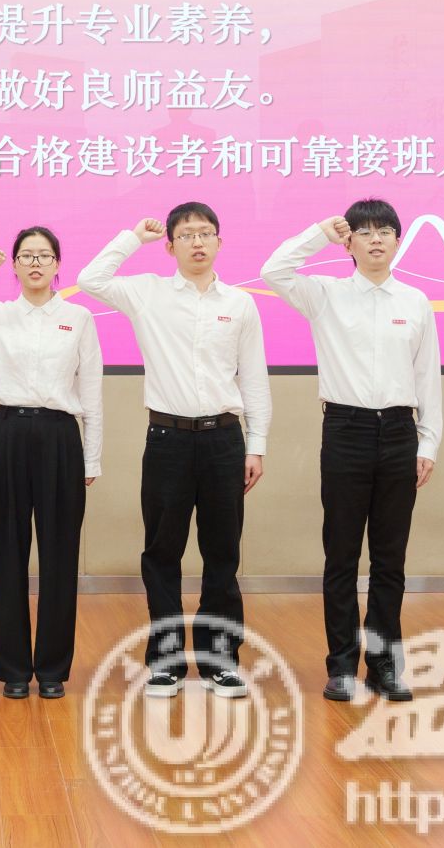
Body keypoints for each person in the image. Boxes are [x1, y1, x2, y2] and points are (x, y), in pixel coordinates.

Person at [78, 203, 269, 699]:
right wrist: (132, 238)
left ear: (220, 242)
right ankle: (165, 661)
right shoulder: (148, 293)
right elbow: (90, 279)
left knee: (222, 552)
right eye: (186, 235)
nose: (197, 242)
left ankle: (219, 660)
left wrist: (257, 444)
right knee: (162, 552)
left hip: (225, 439)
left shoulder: (240, 304)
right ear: (170, 246)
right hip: (167, 440)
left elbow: (254, 378)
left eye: (206, 233)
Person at [262, 200, 440, 703]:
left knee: (389, 559)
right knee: (341, 555)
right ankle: (341, 665)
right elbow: (274, 270)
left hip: (400, 432)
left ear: (398, 241)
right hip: (346, 430)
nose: (376, 239)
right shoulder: (326, 295)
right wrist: (320, 231)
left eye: (385, 231)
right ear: (349, 243)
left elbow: (428, 376)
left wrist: (428, 440)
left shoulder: (416, 301)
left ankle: (383, 665)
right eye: (364, 232)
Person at [0, 227, 103, 699]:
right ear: (14, 265)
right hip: (8, 432)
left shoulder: (78, 318)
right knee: (6, 552)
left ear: (58, 264)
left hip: (60, 437)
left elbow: (91, 391)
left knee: (60, 555)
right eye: (26, 256)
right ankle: (12, 669)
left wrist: (91, 456)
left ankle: (52, 670)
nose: (35, 263)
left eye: (44, 256)